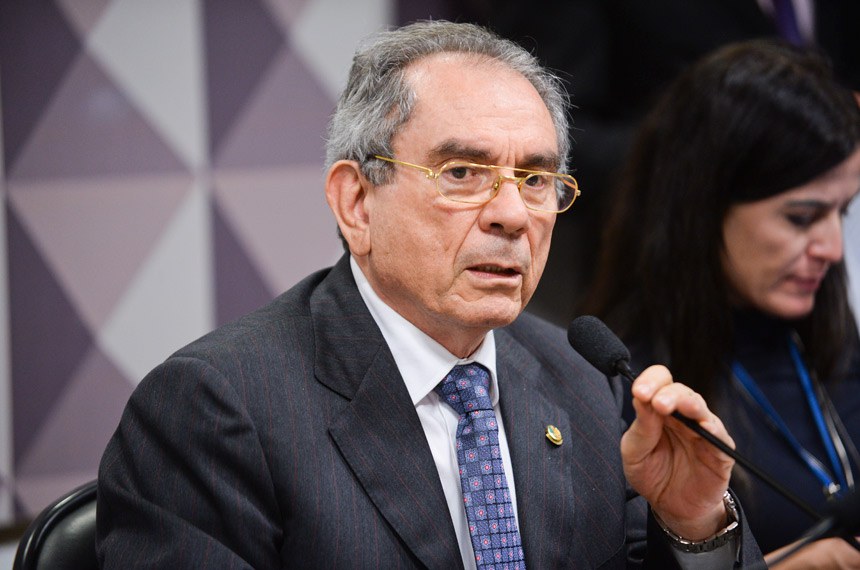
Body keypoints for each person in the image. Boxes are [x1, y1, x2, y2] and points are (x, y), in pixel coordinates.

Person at [97, 20, 762, 568]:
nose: (513, 215)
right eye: (463, 172)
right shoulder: (215, 408)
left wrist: (693, 526)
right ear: (357, 202)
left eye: (535, 179)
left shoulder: (584, 381)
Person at [584, 38, 860, 568]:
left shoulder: (831, 344)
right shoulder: (626, 389)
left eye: (841, 212)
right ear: (704, 209)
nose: (832, 249)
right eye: (801, 218)